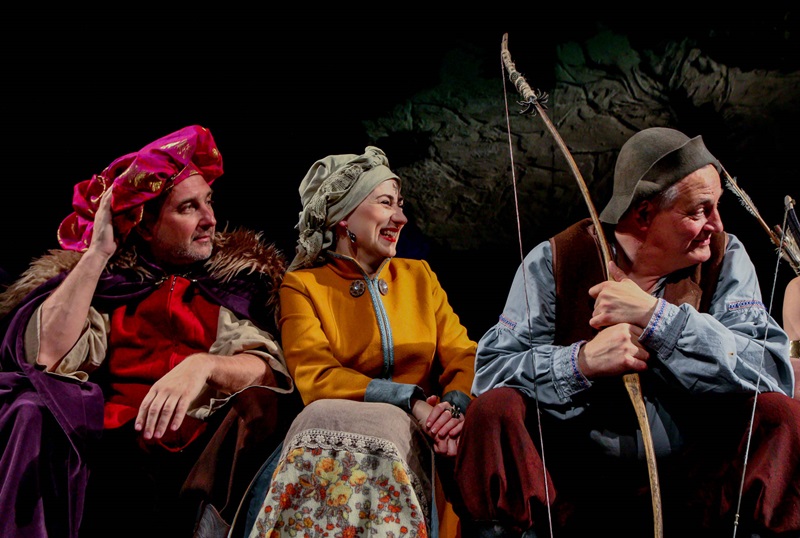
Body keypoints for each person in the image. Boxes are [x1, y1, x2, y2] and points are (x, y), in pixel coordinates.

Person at [451, 127, 800, 537]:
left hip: (699, 486)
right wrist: (579, 363)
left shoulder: (725, 258)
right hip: (572, 485)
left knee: (782, 416)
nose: (716, 224)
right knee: (494, 410)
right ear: (644, 214)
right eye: (699, 211)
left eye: (717, 207)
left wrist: (658, 319)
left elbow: (772, 368)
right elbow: (491, 372)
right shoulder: (556, 260)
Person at [0, 125, 299, 538]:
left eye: (209, 202)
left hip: (202, 464)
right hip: (116, 465)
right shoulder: (113, 289)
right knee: (29, 406)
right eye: (188, 208)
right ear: (144, 226)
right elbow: (46, 357)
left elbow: (266, 370)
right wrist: (98, 254)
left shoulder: (233, 285)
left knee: (262, 402)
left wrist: (203, 366)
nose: (210, 219)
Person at [244, 146, 476, 538]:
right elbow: (316, 376)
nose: (400, 218)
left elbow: (464, 355)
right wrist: (411, 401)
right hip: (338, 445)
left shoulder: (419, 277)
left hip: (426, 442)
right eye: (385, 203)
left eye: (400, 205)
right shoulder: (302, 286)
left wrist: (451, 410)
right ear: (343, 217)